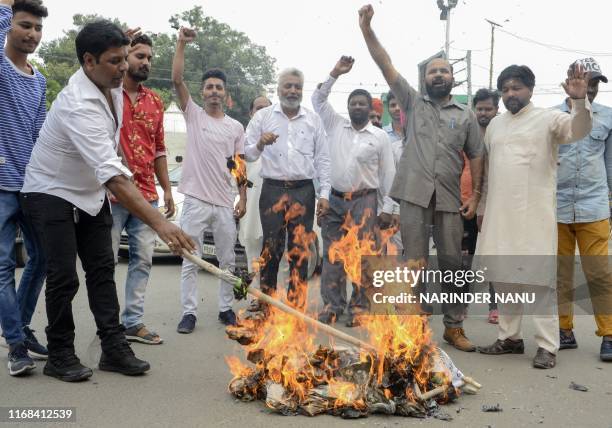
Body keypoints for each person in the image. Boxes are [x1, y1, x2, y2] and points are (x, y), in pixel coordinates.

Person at [20, 20, 195, 382]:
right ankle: (60, 354)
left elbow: (114, 160)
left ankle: (114, 349)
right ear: (88, 61)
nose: (124, 68)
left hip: (89, 191)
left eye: (124, 59)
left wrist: (143, 189)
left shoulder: (109, 83)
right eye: (115, 61)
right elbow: (113, 177)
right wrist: (160, 223)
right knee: (64, 275)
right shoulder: (76, 104)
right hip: (50, 190)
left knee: (102, 270)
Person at [359, 4, 484, 352]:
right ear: (425, 79)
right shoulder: (412, 103)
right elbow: (386, 66)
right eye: (433, 71)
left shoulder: (466, 115)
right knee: (413, 265)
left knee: (452, 266)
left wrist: (475, 196)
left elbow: (476, 154)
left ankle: (454, 327)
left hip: (448, 200)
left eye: (444, 70)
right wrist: (368, 31)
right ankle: (413, 329)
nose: (439, 75)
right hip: (414, 198)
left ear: (452, 78)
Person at [476, 64, 591, 369]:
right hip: (500, 216)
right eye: (506, 89)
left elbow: (578, 131)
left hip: (535, 216)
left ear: (530, 89)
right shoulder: (495, 126)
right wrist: (483, 207)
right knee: (504, 279)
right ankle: (510, 338)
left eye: (517, 88)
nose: (511, 94)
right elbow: (491, 173)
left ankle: (547, 346)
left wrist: (579, 102)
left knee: (539, 282)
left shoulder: (548, 119)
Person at [312, 55, 396, 327]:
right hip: (335, 201)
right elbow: (318, 101)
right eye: (353, 103)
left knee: (362, 257)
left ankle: (359, 307)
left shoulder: (379, 137)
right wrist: (335, 73)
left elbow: (388, 175)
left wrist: (387, 209)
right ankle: (332, 305)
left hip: (365, 203)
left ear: (369, 107)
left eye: (362, 103)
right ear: (347, 107)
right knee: (333, 256)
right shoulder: (335, 125)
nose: (357, 107)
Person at [172, 27, 247, 332]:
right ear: (202, 92)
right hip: (195, 201)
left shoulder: (235, 127)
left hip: (224, 204)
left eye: (219, 87)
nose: (214, 91)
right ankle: (189, 313)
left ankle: (225, 309)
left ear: (225, 94)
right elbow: (176, 79)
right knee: (191, 258)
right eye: (209, 87)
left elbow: (239, 165)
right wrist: (180, 44)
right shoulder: (193, 115)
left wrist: (243, 197)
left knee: (227, 260)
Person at [245, 68, 331, 311]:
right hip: (272, 189)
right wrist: (261, 142)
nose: (293, 91)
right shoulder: (263, 116)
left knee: (299, 250)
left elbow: (323, 159)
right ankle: (267, 304)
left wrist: (324, 194)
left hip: (303, 191)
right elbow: (247, 152)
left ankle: (296, 308)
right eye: (288, 86)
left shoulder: (313, 119)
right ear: (278, 88)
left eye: (297, 87)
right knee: (270, 248)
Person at [109, 34, 173, 345]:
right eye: (139, 56)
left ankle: (132, 323)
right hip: (110, 193)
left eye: (149, 57)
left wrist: (167, 190)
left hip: (147, 194)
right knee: (105, 261)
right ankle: (107, 325)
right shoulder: (107, 92)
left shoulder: (155, 102)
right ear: (125, 57)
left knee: (143, 260)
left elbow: (160, 149)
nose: (145, 62)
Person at [0, 0, 48, 376]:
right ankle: (16, 345)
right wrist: (4, 4)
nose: (31, 33)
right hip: (0, 187)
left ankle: (21, 327)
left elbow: (39, 134)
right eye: (24, 25)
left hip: (30, 186)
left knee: (42, 258)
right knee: (2, 268)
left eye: (37, 28)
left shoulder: (40, 79)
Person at [555, 57, 612, 362]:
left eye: (595, 84)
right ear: (569, 80)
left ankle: (609, 333)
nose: (590, 89)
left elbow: (611, 165)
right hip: (557, 207)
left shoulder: (608, 117)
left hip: (594, 206)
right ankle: (565, 331)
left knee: (600, 274)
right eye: (585, 82)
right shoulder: (553, 117)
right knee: (561, 274)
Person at [469, 88, 500, 324]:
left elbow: (489, 178)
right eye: (480, 109)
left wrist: (483, 208)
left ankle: (495, 306)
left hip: (493, 204)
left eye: (488, 109)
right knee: (462, 259)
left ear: (496, 110)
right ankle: (457, 306)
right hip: (464, 202)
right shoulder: (467, 132)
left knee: (494, 259)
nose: (484, 113)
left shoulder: (500, 132)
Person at [239, 96, 272, 290]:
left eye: (266, 109)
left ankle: (277, 301)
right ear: (251, 113)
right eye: (257, 108)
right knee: (253, 253)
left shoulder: (281, 137)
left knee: (278, 254)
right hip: (251, 206)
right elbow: (236, 172)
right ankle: (256, 298)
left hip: (276, 205)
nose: (261, 112)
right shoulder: (241, 140)